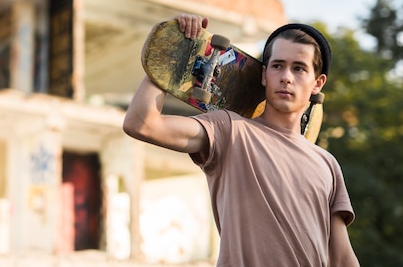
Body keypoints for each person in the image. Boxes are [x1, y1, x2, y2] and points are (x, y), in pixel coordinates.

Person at [123, 14, 359, 266]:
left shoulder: (327, 164)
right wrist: (175, 55)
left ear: (317, 83)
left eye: (299, 68)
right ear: (263, 75)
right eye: (277, 66)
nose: (286, 77)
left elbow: (343, 257)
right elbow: (142, 124)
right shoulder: (229, 130)